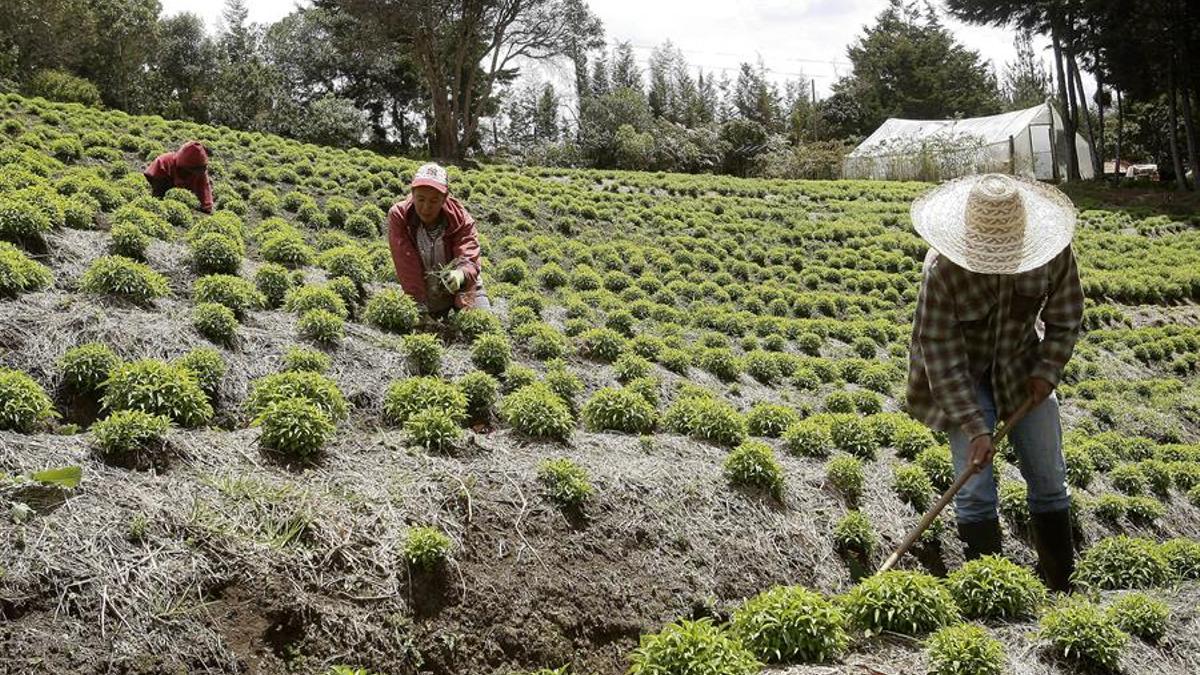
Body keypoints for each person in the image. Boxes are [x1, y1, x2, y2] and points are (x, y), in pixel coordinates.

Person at [906, 173, 1084, 592]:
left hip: (1022, 366)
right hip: (961, 375)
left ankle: (1061, 583)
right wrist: (975, 428)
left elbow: (1066, 315)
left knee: (1049, 479)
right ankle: (992, 594)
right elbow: (941, 355)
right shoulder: (943, 271)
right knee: (974, 488)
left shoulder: (1051, 253)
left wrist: (1047, 371)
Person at [386, 162, 490, 318]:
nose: (426, 207)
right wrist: (418, 303)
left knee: (481, 323)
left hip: (463, 285)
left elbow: (469, 257)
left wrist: (461, 274)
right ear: (412, 193)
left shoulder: (461, 219)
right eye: (420, 199)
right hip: (424, 288)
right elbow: (406, 263)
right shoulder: (400, 215)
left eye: (434, 201)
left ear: (445, 198)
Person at [144, 141, 214, 214]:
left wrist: (207, 207)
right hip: (161, 191)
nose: (194, 173)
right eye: (191, 169)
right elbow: (151, 185)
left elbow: (204, 189)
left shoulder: (199, 169)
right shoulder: (164, 163)